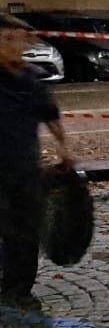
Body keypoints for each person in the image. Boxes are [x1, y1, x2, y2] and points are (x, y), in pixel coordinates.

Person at [0, 23, 73, 312]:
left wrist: (64, 151)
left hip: (25, 169)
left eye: (16, 40)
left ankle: (19, 290)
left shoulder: (29, 80)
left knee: (26, 231)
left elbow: (51, 117)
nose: (12, 46)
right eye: (6, 39)